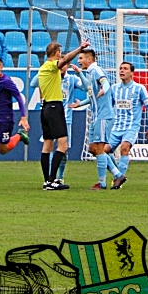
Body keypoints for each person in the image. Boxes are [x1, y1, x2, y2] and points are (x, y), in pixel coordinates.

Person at [35, 40, 89, 188]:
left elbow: (39, 85)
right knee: (63, 145)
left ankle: (47, 181)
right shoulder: (52, 66)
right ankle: (53, 180)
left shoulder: (43, 69)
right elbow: (65, 60)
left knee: (47, 145)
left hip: (45, 106)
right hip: (54, 107)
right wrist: (79, 49)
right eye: (59, 53)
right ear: (57, 53)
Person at [72, 48, 127, 191]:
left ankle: (102, 183)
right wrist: (80, 104)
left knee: (99, 148)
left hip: (104, 116)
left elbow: (105, 82)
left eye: (81, 58)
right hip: (97, 116)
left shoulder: (96, 70)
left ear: (89, 60)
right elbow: (91, 95)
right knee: (92, 149)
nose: (79, 61)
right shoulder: (89, 73)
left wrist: (105, 89)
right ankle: (118, 174)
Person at [100, 62, 148, 190]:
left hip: (132, 127)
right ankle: (118, 173)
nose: (122, 71)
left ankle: (117, 181)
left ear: (132, 73)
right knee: (102, 152)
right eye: (120, 68)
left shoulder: (139, 88)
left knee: (125, 147)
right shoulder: (114, 88)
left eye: (125, 69)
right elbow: (109, 105)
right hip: (116, 127)